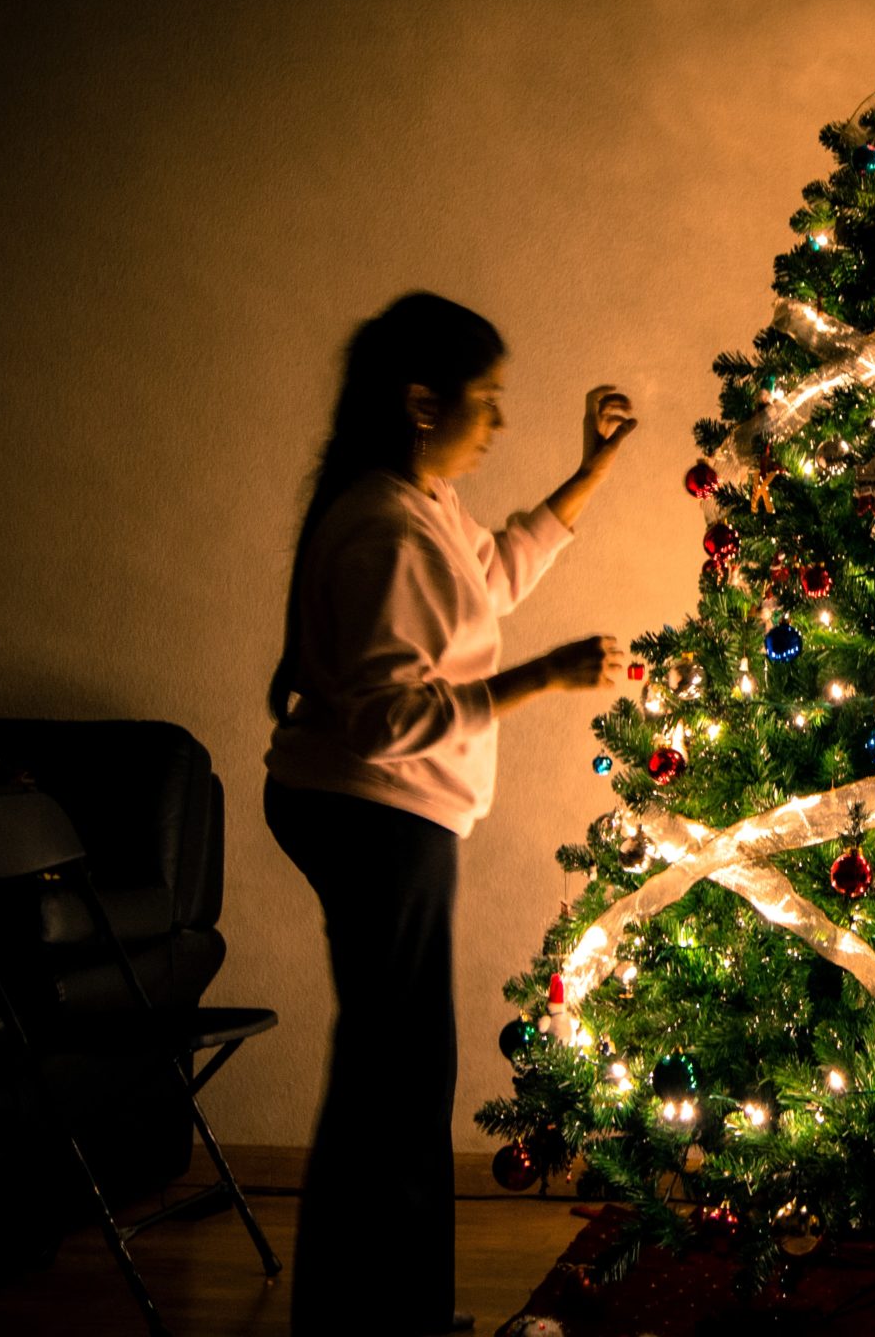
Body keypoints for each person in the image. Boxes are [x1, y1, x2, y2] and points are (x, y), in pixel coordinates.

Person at [262, 292, 634, 1335]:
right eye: (489, 401)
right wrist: (538, 679)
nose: (500, 424)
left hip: (382, 813)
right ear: (424, 403)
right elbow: (387, 720)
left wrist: (591, 468)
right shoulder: (384, 525)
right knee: (398, 1086)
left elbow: (491, 573)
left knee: (394, 1075)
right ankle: (383, 1321)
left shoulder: (419, 504)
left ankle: (374, 1315)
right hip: (375, 814)